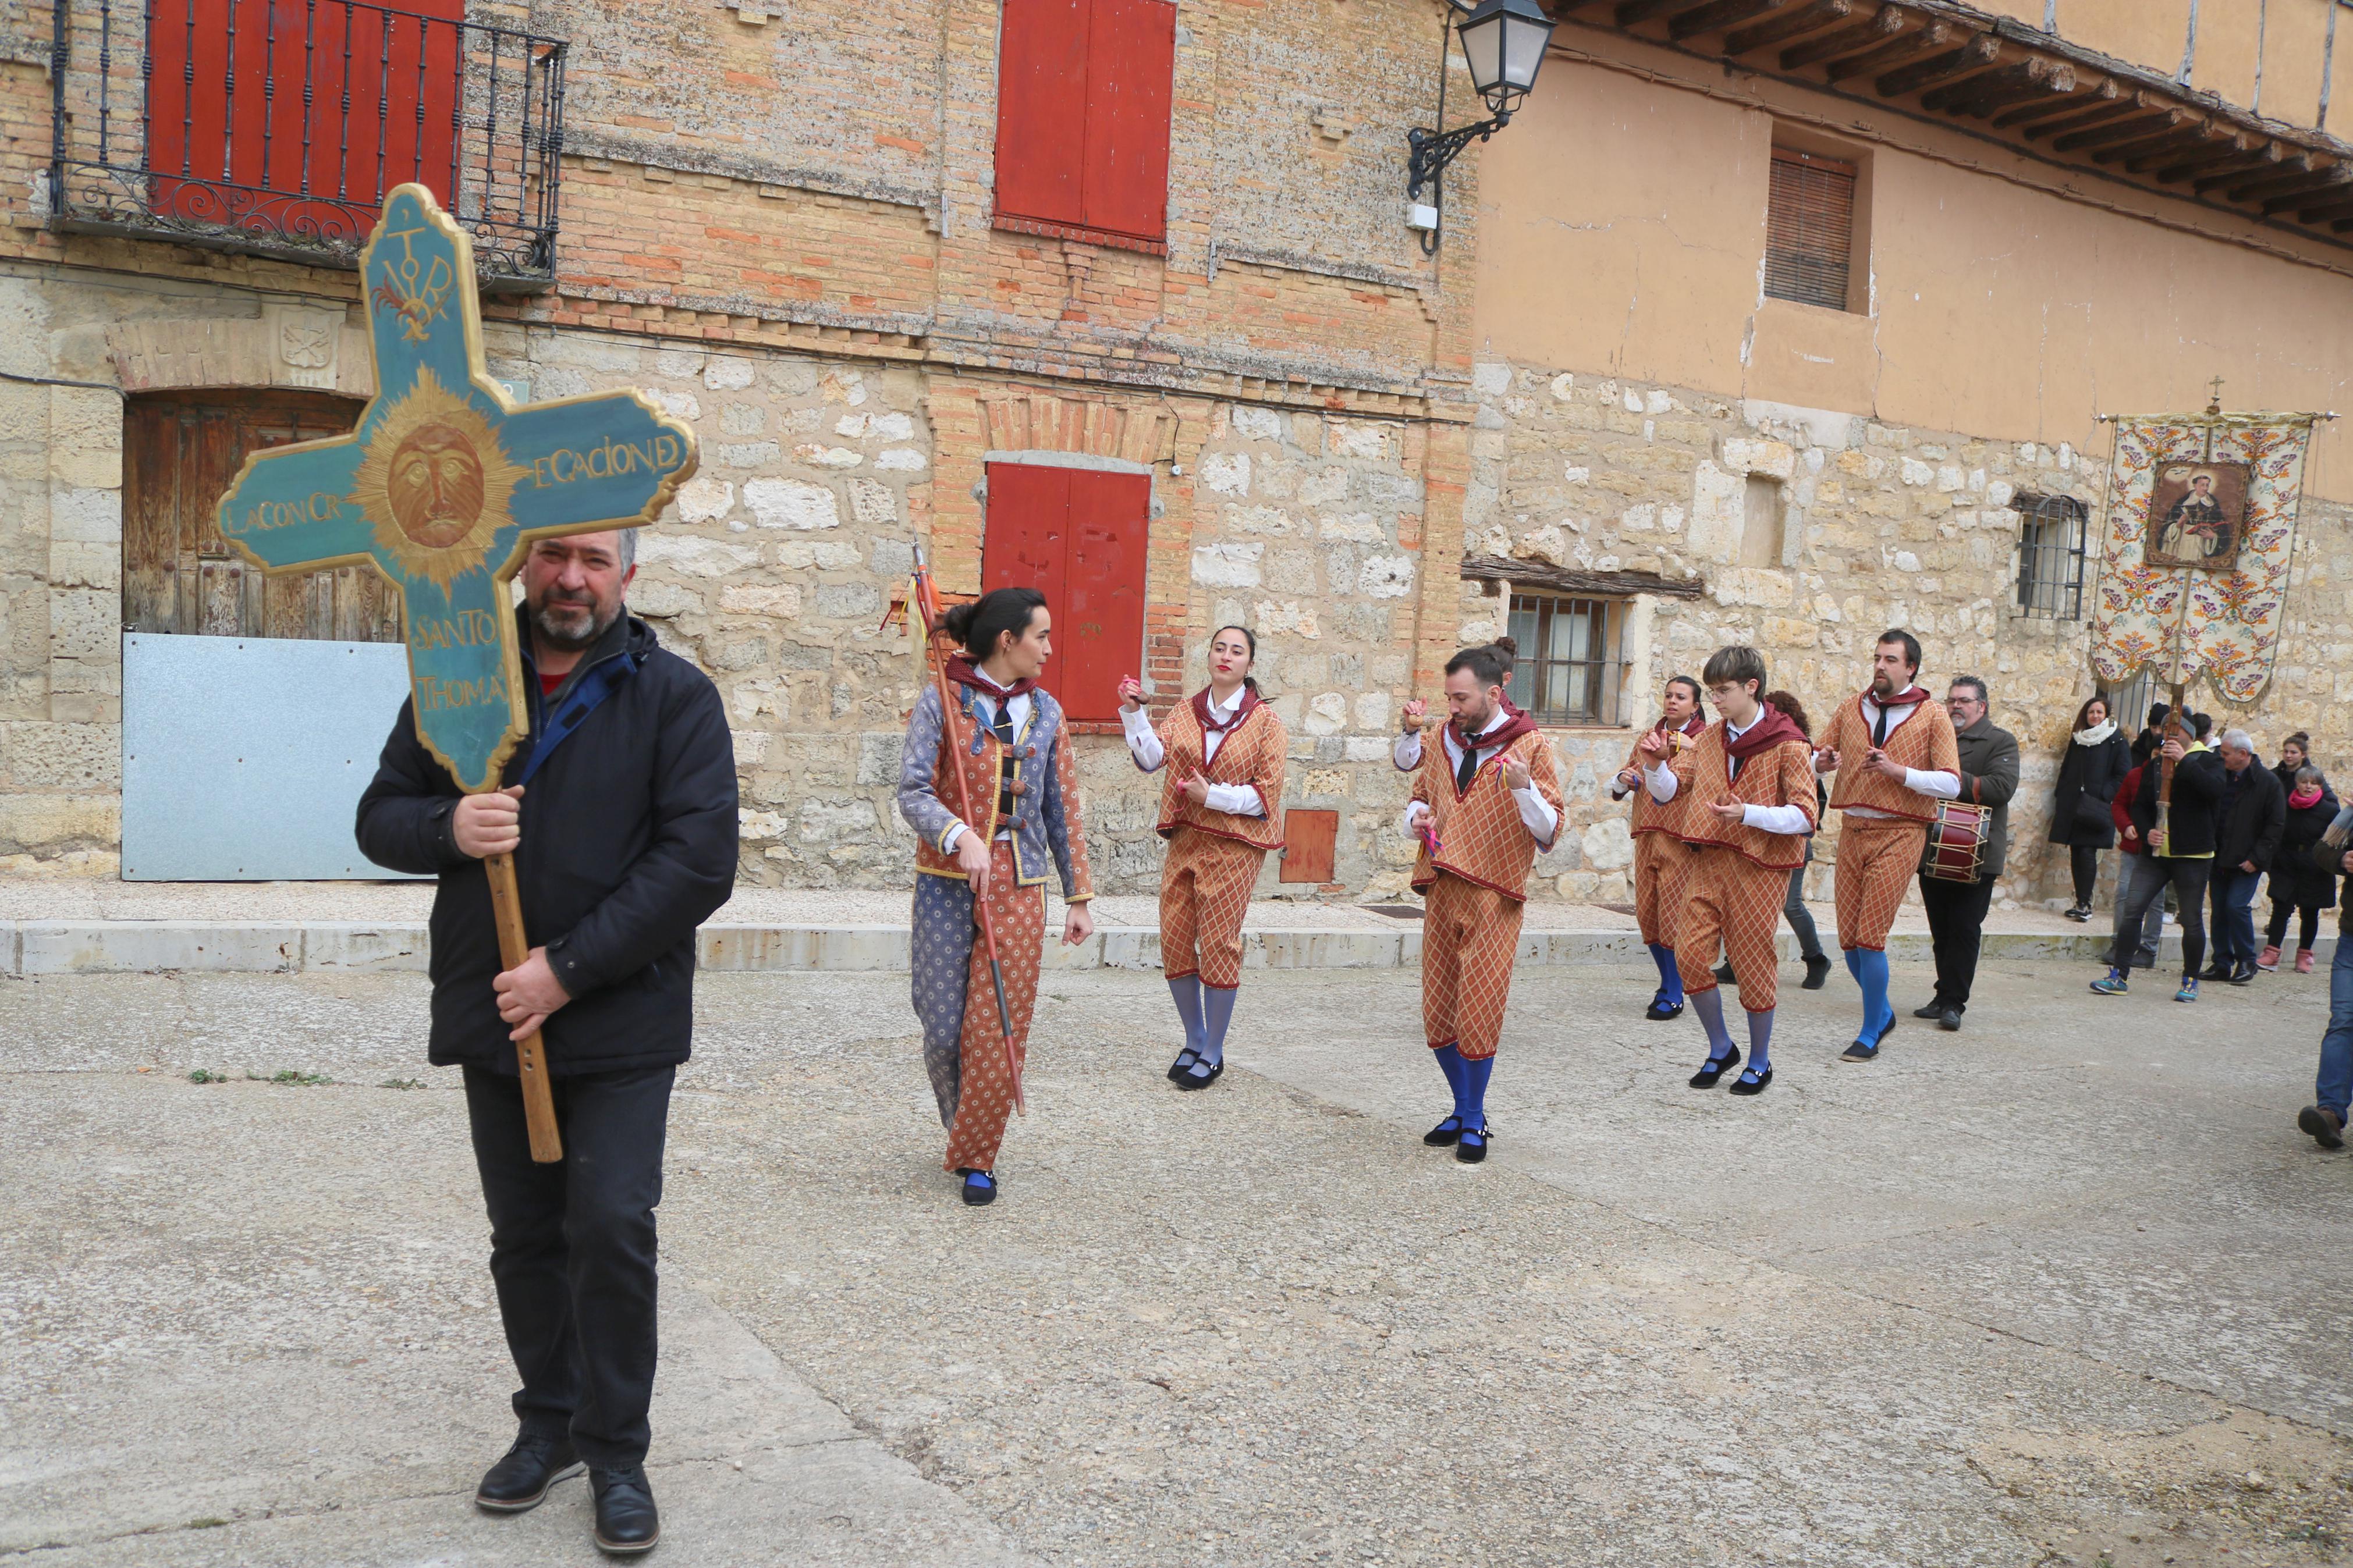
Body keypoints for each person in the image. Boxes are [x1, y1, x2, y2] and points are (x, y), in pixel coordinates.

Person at [354, 528, 739, 1556]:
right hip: (495, 1012)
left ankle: (616, 1451)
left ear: (629, 575)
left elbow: (698, 861)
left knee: (609, 1225)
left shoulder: (675, 699)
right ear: (524, 563)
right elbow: (379, 817)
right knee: (524, 1238)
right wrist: (449, 827)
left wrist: (565, 969)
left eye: (596, 561)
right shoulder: (458, 683)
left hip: (620, 1017)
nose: (573, 578)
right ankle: (550, 1426)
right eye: (555, 556)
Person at [897, 586, 1096, 1207]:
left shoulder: (1048, 712)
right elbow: (911, 791)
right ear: (1007, 641)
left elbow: (1062, 809)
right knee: (941, 1028)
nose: (1048, 648)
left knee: (996, 1028)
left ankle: (980, 1152)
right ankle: (963, 1125)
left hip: (1020, 885)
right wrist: (958, 836)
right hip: (945, 884)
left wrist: (1078, 896)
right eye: (1040, 635)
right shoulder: (941, 701)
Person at [1394, 638, 1564, 1162]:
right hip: (1443, 886)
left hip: (1495, 895)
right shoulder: (1445, 738)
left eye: (1462, 698)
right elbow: (1419, 793)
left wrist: (1522, 789)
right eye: (1449, 697)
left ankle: (1471, 1116)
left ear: (1493, 693)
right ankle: (1466, 1106)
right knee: (1438, 1013)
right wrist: (1416, 819)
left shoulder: (1530, 746)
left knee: (1479, 1009)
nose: (1453, 708)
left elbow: (1551, 827)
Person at [1117, 626, 1287, 1089]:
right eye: (1219, 648)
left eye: (1237, 651)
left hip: (1234, 845)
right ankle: (1194, 1037)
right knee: (1173, 937)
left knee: (1217, 943)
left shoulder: (1267, 722)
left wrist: (1211, 795)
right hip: (1187, 838)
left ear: (1249, 664)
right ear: (1209, 656)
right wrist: (1134, 715)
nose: (1226, 657)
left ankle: (1214, 1051)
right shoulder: (1184, 711)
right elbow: (1153, 759)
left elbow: (1265, 795)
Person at [1642, 649, 1818, 1096]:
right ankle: (1721, 1046)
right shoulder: (1708, 738)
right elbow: (1668, 793)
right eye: (1712, 692)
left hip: (1759, 868)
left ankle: (1759, 1060)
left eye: (1723, 691)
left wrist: (1749, 813)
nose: (1714, 700)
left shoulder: (1791, 743)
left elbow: (1804, 815)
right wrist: (1655, 764)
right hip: (1707, 859)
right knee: (1688, 956)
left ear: (1751, 687)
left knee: (1752, 961)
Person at [1813, 629, 1961, 1062]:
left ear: (1910, 667)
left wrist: (1899, 771)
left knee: (1870, 938)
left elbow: (1951, 782)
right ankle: (1881, 1012)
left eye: (1890, 659)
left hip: (1902, 830)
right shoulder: (1850, 706)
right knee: (1847, 942)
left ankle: (1869, 1032)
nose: (1880, 665)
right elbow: (1817, 755)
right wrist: (1821, 763)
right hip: (1853, 828)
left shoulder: (1933, 715)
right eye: (1877, 657)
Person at [1910, 676, 2020, 1031]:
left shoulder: (2001, 741)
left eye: (1964, 701)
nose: (1956, 706)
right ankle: (1942, 995)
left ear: (1981, 707)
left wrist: (1948, 777)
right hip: (1935, 849)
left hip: (1977, 853)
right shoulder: (1935, 737)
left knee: (1964, 929)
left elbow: (2000, 788)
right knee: (1941, 929)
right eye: (1952, 700)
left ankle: (1955, 1003)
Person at [2092, 713, 2226, 1002]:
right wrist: (2146, 830)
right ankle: (2119, 975)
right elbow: (2139, 805)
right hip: (2155, 854)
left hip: (2193, 854)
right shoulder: (2155, 764)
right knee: (2132, 909)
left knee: (2190, 919)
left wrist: (2184, 761)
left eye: (2175, 731)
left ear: (2189, 735)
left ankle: (2190, 980)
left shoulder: (2209, 760)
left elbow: (2214, 792)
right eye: (2166, 731)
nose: (2169, 736)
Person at [1709, 693, 1833, 995]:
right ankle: (1734, 962)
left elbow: (1809, 806)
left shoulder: (1792, 749)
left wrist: (1821, 765)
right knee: (1736, 904)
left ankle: (1816, 958)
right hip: (1751, 837)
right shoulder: (1755, 747)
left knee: (1791, 905)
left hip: (1790, 845)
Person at [1610, 675, 1708, 1020]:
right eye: (1668, 695)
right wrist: (1624, 780)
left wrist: (1655, 767)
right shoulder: (1649, 737)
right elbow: (1626, 772)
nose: (1672, 702)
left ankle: (1675, 988)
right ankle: (1667, 981)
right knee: (1647, 915)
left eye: (1681, 697)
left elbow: (1674, 789)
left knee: (1672, 917)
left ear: (1695, 706)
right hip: (1647, 836)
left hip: (1679, 840)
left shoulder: (1702, 743)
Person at [2203, 729, 2284, 986]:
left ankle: (2247, 960)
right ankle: (2222, 962)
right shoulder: (2221, 776)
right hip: (2218, 856)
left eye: (2226, 753)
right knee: (2219, 910)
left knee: (2236, 907)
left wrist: (2257, 858)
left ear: (2243, 754)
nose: (2221, 757)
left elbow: (2275, 825)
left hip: (2247, 861)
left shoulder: (2268, 783)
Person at [2296, 802, 2353, 1149]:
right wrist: (2342, 860)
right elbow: (2323, 849)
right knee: (2343, 1021)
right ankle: (2330, 1112)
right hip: (2352, 940)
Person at [2050, 695, 2130, 922]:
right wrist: (2062, 793)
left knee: (2087, 852)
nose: (2095, 716)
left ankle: (2085, 904)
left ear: (2107, 716)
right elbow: (2066, 769)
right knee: (2077, 851)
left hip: (2095, 806)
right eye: (2091, 712)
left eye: (2099, 712)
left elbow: (2122, 774)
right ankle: (2080, 902)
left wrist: (2103, 795)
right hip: (2074, 805)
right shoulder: (2078, 739)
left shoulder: (2116, 740)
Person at [2263, 764, 2338, 973]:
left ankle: (2304, 955)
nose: (2308, 787)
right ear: (2296, 784)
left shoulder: (2330, 809)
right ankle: (2272, 953)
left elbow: (2335, 840)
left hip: (2315, 866)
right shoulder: (2286, 805)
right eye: (2304, 782)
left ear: (2320, 786)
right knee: (2280, 909)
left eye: (2313, 783)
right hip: (2287, 863)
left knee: (2310, 912)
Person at [2106, 758, 2166, 970]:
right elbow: (2120, 804)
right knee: (2123, 892)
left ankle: (2148, 949)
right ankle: (2118, 943)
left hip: (2159, 852)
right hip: (2133, 848)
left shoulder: (2174, 778)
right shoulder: (2135, 776)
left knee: (2156, 900)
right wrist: (2127, 825)